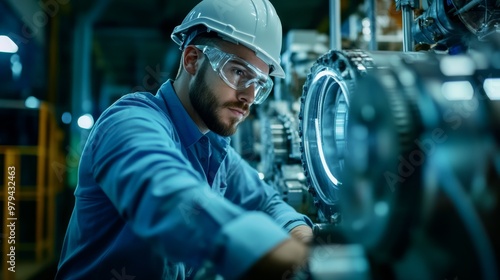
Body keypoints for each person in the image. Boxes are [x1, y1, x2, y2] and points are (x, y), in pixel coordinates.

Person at [55, 0, 314, 279]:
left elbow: (266, 202)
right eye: (239, 72)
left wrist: (300, 236)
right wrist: (266, 252)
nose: (249, 97)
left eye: (259, 84)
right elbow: (167, 197)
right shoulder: (128, 122)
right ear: (192, 60)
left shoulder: (215, 150)